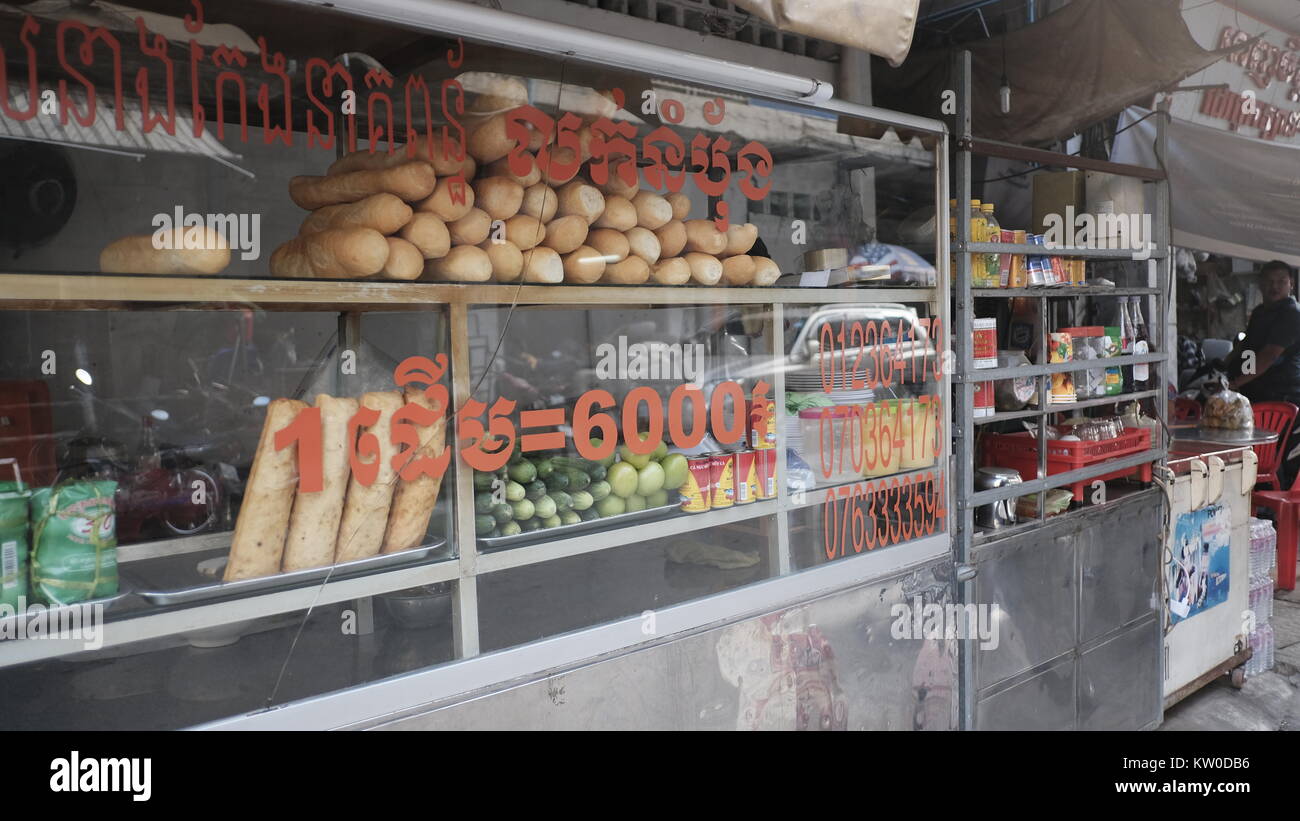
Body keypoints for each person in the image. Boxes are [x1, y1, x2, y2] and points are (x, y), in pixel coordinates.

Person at [1226, 261, 1300, 405]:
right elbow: (1246, 344)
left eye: (1281, 282)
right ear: (1260, 284)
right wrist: (1224, 364)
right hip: (1254, 388)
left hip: (1282, 394)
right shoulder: (1259, 312)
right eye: (1269, 281)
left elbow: (1270, 355)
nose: (1274, 287)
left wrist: (1236, 383)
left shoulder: (1292, 314)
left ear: (1291, 284)